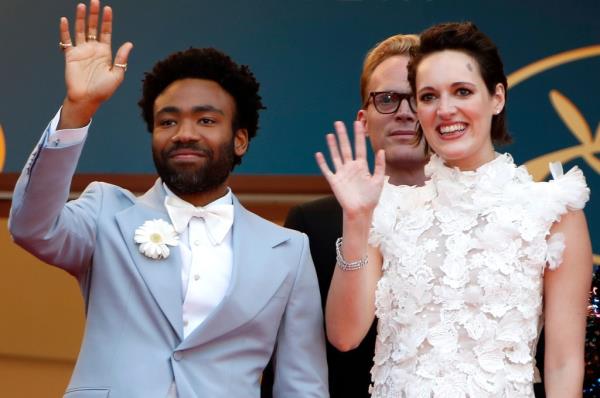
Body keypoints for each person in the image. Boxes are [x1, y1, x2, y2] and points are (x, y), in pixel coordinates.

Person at [8, 1, 327, 397]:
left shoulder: (289, 251)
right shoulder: (106, 212)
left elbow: (302, 384)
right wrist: (78, 109)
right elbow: (31, 226)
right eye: (168, 121)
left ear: (240, 139)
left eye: (206, 120)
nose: (184, 133)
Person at [317, 21, 592, 397]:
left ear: (496, 97)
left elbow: (563, 363)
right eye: (428, 97)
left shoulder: (553, 211)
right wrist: (356, 222)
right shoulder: (389, 208)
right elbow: (345, 336)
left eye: (462, 91)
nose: (445, 110)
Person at [261, 33, 427, 398]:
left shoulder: (481, 215)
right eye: (387, 99)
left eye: (419, 98)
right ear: (363, 120)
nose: (403, 111)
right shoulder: (311, 223)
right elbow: (291, 358)